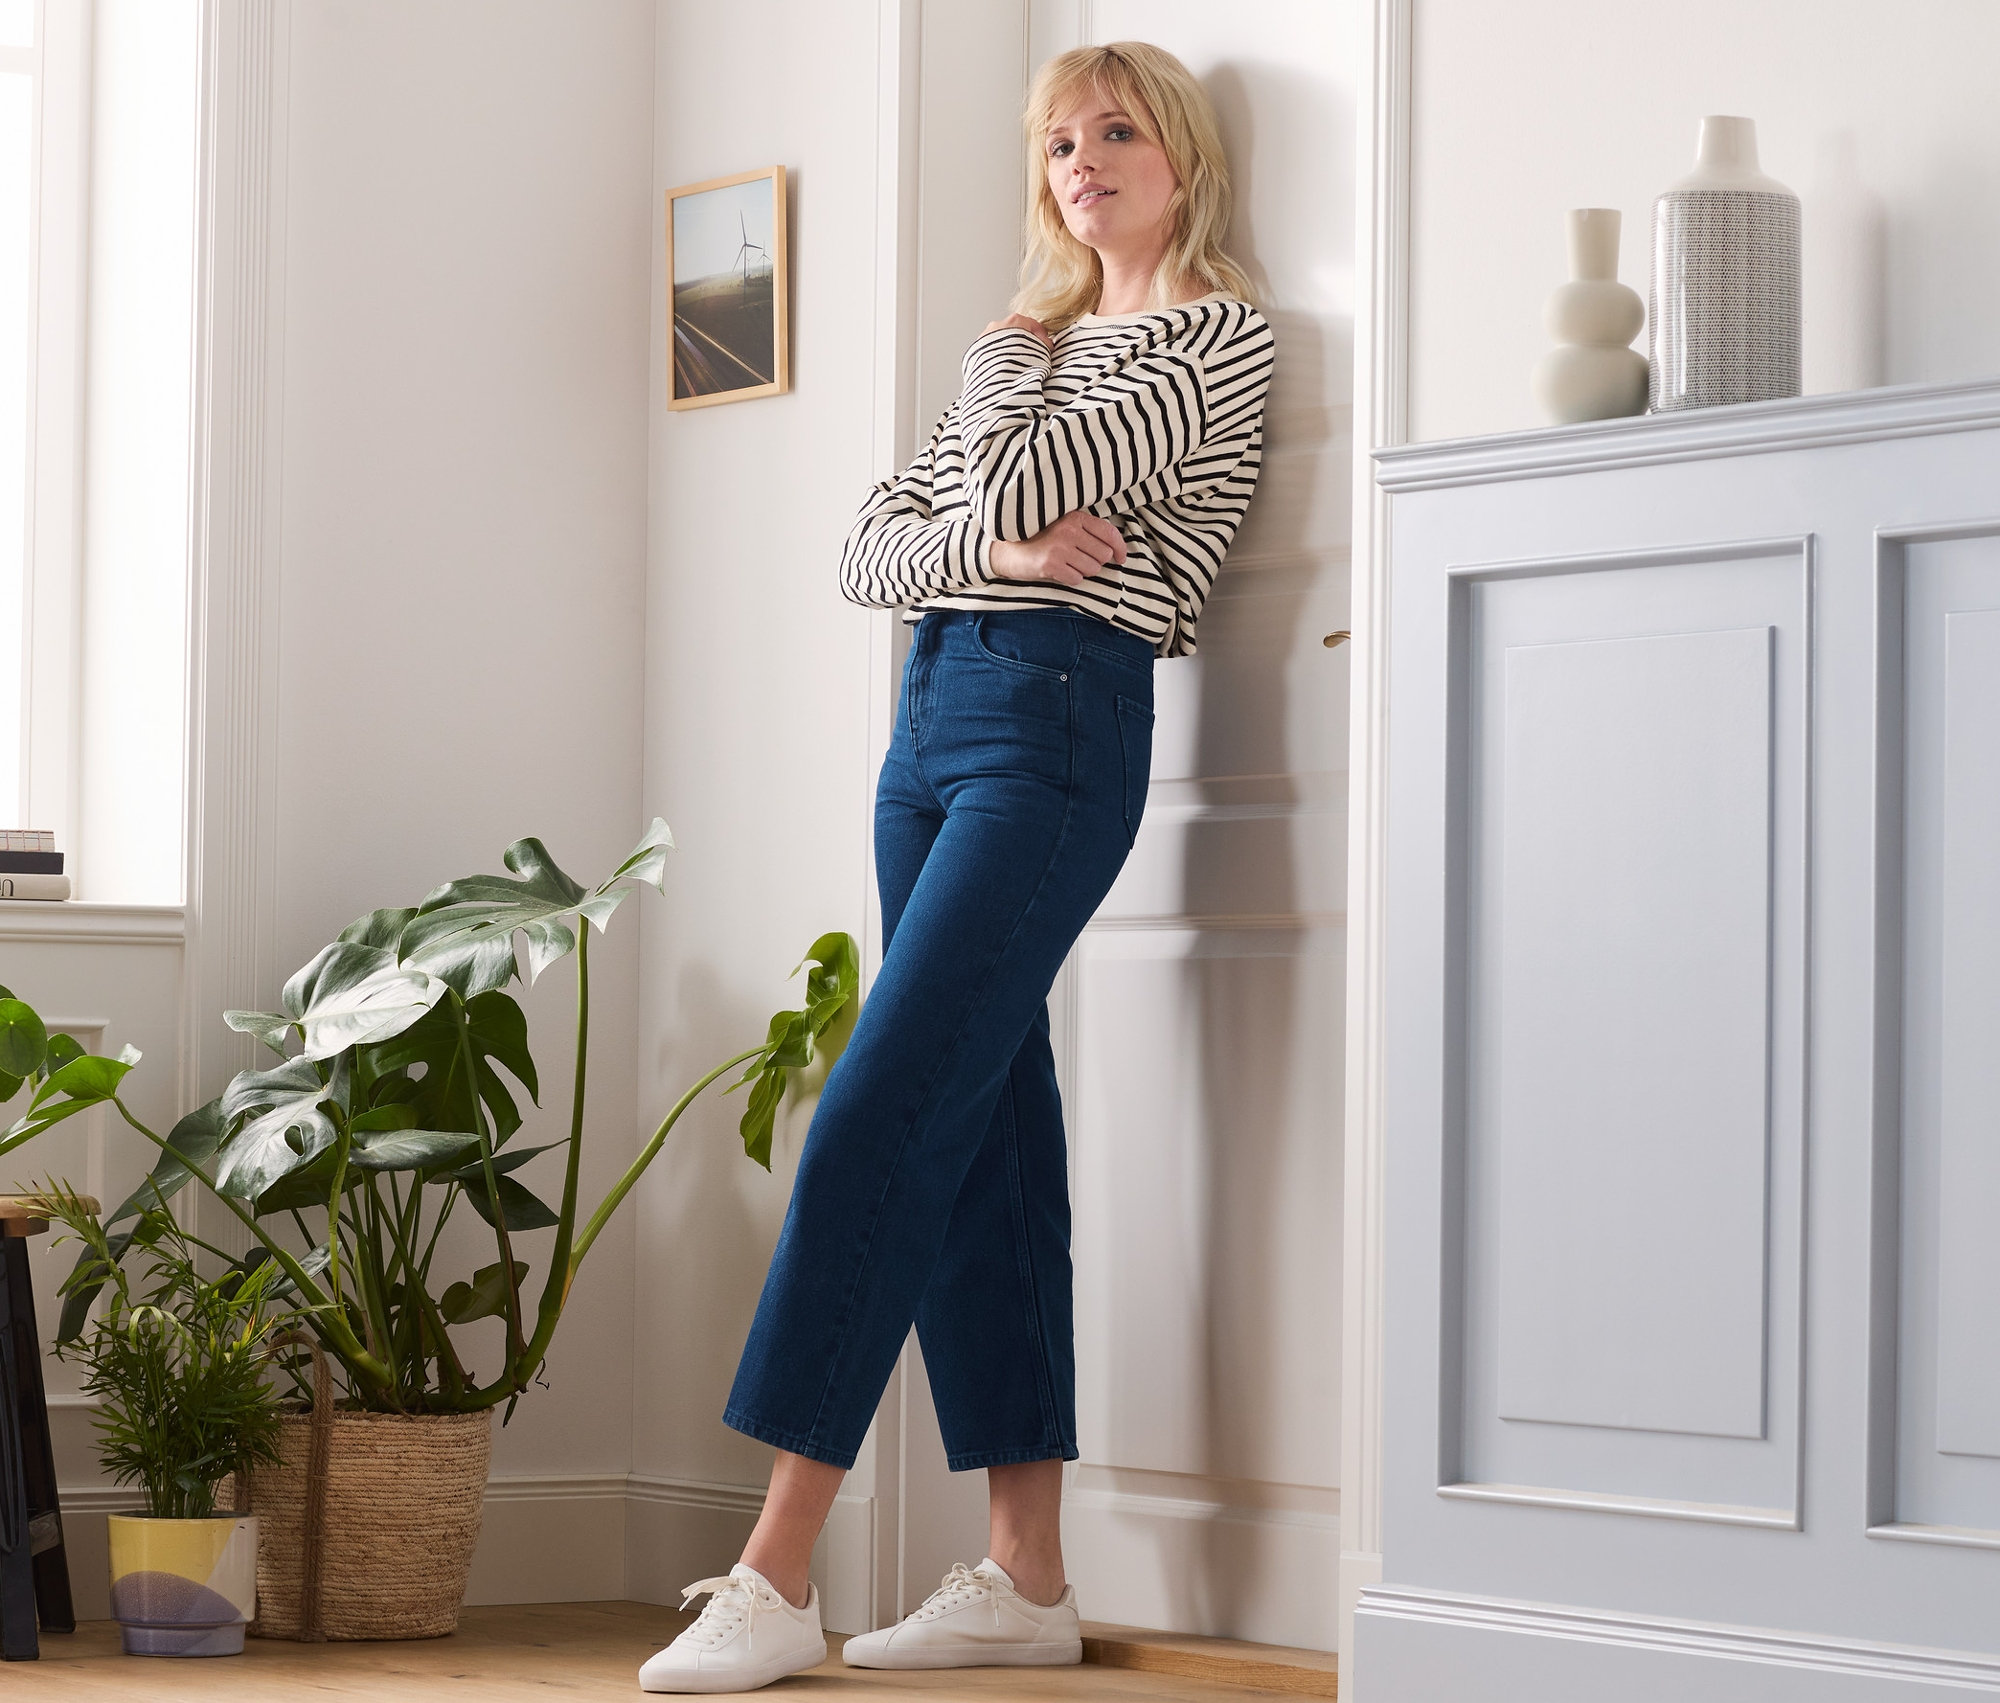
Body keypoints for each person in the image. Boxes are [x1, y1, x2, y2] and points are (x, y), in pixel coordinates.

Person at [640, 38, 1274, 1695]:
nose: (1081, 163)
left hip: (1058, 723)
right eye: (1058, 142)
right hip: (930, 721)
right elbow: (872, 544)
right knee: (989, 1130)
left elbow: (997, 470)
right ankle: (1028, 1573)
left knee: (882, 1106)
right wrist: (994, 539)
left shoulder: (1213, 341)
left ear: (1183, 158)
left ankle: (775, 1573)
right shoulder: (1044, 341)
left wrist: (999, 408)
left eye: (1116, 131)